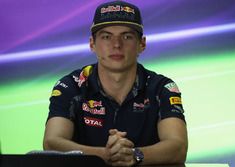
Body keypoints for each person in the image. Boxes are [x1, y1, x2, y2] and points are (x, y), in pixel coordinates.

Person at [43, 1, 188, 166]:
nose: (117, 45)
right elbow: (52, 143)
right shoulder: (71, 85)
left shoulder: (162, 88)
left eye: (127, 36)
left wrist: (135, 155)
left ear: (142, 44)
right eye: (106, 37)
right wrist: (104, 155)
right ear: (92, 44)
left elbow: (178, 147)